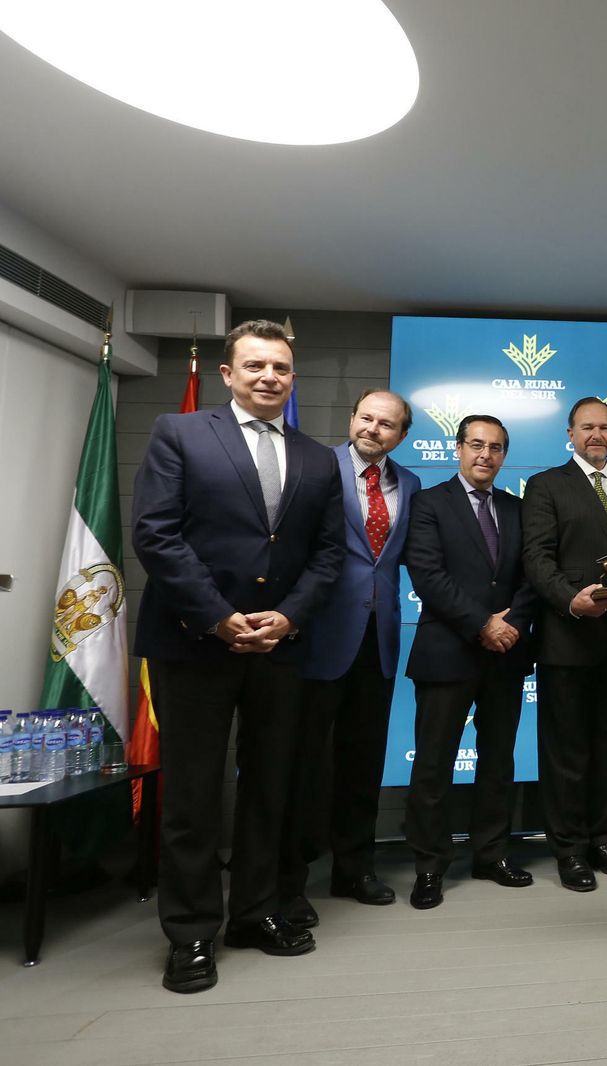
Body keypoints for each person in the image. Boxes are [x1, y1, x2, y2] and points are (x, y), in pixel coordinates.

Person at [132, 319, 343, 994]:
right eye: (254, 366)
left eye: (280, 368)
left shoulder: (317, 457)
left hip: (279, 649)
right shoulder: (180, 433)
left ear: (292, 377)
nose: (268, 377)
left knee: (270, 789)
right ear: (227, 374)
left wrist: (286, 617)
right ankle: (191, 933)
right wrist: (220, 618)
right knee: (193, 796)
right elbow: (156, 535)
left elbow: (329, 553)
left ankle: (256, 912)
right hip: (193, 643)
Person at [279, 390, 421, 926]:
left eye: (387, 424)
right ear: (351, 419)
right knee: (303, 767)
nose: (374, 429)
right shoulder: (315, 466)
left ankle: (353, 869)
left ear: (401, 435)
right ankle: (288, 880)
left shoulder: (409, 484)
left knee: (363, 763)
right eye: (366, 418)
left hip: (377, 641)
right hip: (315, 638)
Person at [522, 397, 607, 891]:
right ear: (571, 433)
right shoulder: (545, 485)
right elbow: (536, 558)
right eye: (587, 428)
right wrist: (569, 600)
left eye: (605, 427)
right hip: (567, 638)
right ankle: (569, 850)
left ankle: (602, 839)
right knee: (566, 750)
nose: (596, 435)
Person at [402, 414, 537, 909]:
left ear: (504, 455)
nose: (486, 455)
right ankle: (430, 865)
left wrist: (511, 622)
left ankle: (491, 854)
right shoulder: (427, 504)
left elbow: (532, 576)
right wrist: (483, 623)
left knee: (498, 761)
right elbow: (427, 575)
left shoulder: (519, 508)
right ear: (457, 449)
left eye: (496, 447)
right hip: (447, 652)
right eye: (476, 445)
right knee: (434, 764)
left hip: (507, 654)